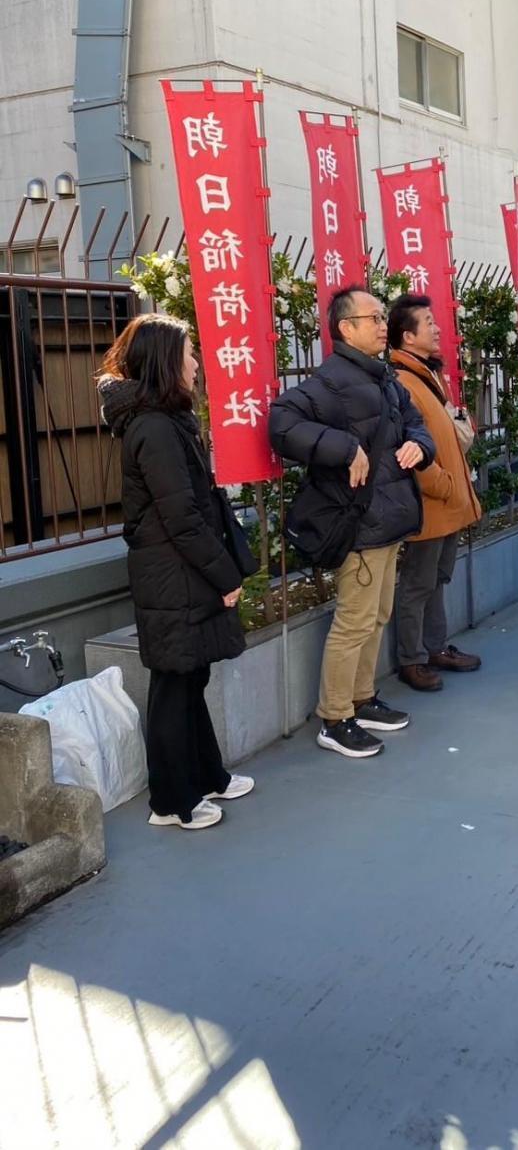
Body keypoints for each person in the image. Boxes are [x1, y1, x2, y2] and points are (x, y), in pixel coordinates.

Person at [98, 314, 254, 830]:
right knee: (174, 683)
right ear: (167, 362)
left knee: (190, 676)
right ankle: (170, 802)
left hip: (180, 574)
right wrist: (225, 575)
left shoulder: (165, 419)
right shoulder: (155, 428)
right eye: (188, 353)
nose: (195, 363)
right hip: (175, 575)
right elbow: (182, 517)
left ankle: (208, 775)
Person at [269, 286, 434, 759]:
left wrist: (419, 446)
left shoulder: (383, 377)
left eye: (383, 316)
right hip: (359, 523)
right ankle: (335, 716)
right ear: (346, 328)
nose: (384, 324)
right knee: (355, 622)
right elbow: (280, 422)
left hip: (388, 519)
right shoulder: (332, 380)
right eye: (374, 317)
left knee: (376, 616)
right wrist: (345, 448)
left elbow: (417, 424)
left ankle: (362, 699)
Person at [387, 294, 482, 692]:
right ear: (408, 337)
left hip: (448, 500)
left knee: (438, 578)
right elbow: (409, 447)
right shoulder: (402, 381)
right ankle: (412, 660)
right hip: (432, 502)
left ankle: (435, 647)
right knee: (418, 583)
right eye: (428, 322)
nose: (437, 327)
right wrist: (441, 484)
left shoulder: (426, 374)